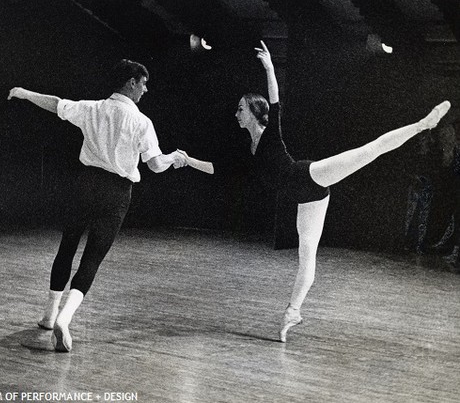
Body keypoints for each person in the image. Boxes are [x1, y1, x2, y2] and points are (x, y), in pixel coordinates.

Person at [177, 41, 451, 342]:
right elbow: (218, 168)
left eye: (240, 109)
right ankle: (293, 312)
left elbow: (276, 100)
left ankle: (423, 124)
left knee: (369, 151)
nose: (236, 113)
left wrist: (269, 67)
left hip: (311, 177)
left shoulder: (269, 134)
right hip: (306, 200)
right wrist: (188, 160)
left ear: (254, 112)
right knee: (306, 258)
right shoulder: (248, 151)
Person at [8, 59, 187, 352]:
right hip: (117, 193)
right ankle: (64, 319)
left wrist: (26, 93)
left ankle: (49, 315)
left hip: (85, 185)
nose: (145, 89)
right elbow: (154, 165)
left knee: (67, 246)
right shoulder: (142, 122)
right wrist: (173, 158)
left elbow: (56, 105)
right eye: (143, 83)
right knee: (92, 258)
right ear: (131, 82)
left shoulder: (93, 108)